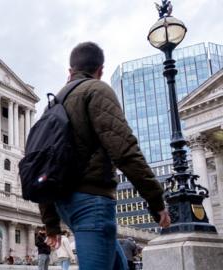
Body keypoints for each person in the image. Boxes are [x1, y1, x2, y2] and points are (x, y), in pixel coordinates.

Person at [39, 42, 171, 270]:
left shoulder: (52, 105)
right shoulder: (97, 90)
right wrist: (156, 200)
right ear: (100, 70)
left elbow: (42, 165)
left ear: (69, 72)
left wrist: (50, 221)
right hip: (92, 201)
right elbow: (125, 151)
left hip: (64, 204)